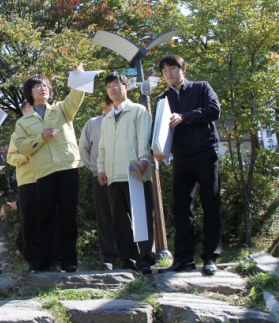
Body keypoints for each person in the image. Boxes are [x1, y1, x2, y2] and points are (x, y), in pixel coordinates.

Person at [13, 63, 86, 273]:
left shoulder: (62, 109)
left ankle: (69, 260)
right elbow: (23, 146)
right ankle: (41, 262)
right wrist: (41, 137)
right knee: (45, 217)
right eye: (37, 86)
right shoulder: (23, 122)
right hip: (43, 171)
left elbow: (77, 95)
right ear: (29, 93)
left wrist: (78, 77)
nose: (42, 88)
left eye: (45, 85)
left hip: (67, 166)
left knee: (68, 216)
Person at [154, 54, 221, 276]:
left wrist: (185, 116)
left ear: (183, 68)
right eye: (165, 71)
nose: (169, 73)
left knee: (210, 203)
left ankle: (210, 257)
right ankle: (183, 259)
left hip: (205, 152)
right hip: (180, 158)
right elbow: (159, 130)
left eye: (172, 68)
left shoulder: (201, 88)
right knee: (182, 208)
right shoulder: (162, 99)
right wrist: (159, 150)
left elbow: (214, 111)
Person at [97, 72, 155, 275]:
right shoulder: (107, 118)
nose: (113, 89)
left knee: (141, 217)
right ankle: (127, 259)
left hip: (135, 171)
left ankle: (146, 258)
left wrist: (143, 158)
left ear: (126, 86)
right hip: (114, 175)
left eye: (116, 85)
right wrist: (101, 168)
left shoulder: (139, 111)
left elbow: (144, 137)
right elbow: (102, 147)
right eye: (109, 86)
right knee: (120, 221)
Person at [8, 101, 62, 272]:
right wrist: (25, 158)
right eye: (28, 113)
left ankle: (55, 260)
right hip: (28, 181)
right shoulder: (17, 134)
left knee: (52, 220)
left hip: (47, 176)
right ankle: (34, 261)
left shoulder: (48, 128)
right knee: (29, 223)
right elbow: (11, 157)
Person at [78, 95, 118, 271]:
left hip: (124, 175)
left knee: (126, 215)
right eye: (113, 106)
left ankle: (129, 254)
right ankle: (108, 256)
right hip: (100, 176)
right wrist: (94, 168)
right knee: (104, 217)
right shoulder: (93, 123)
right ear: (105, 107)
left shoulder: (126, 119)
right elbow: (83, 149)